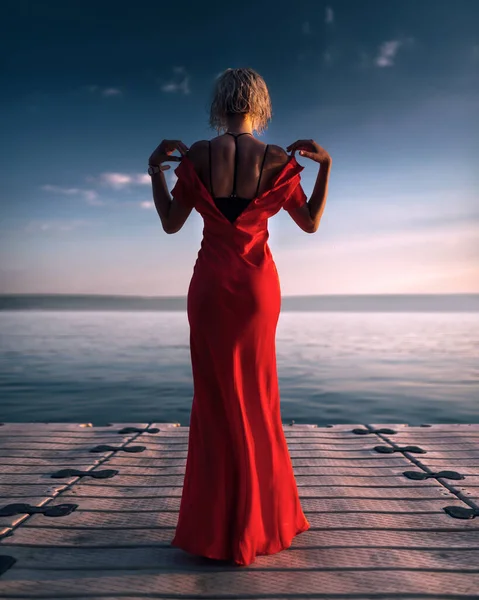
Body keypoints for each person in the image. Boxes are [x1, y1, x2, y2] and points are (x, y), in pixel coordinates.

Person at [148, 67, 331, 566]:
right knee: (258, 398)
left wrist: (154, 172)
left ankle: (215, 529)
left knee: (213, 403)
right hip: (256, 289)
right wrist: (327, 166)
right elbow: (311, 223)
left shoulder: (199, 157)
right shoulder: (276, 160)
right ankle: (261, 522)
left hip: (209, 288)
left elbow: (170, 224)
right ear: (259, 103)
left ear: (220, 103)